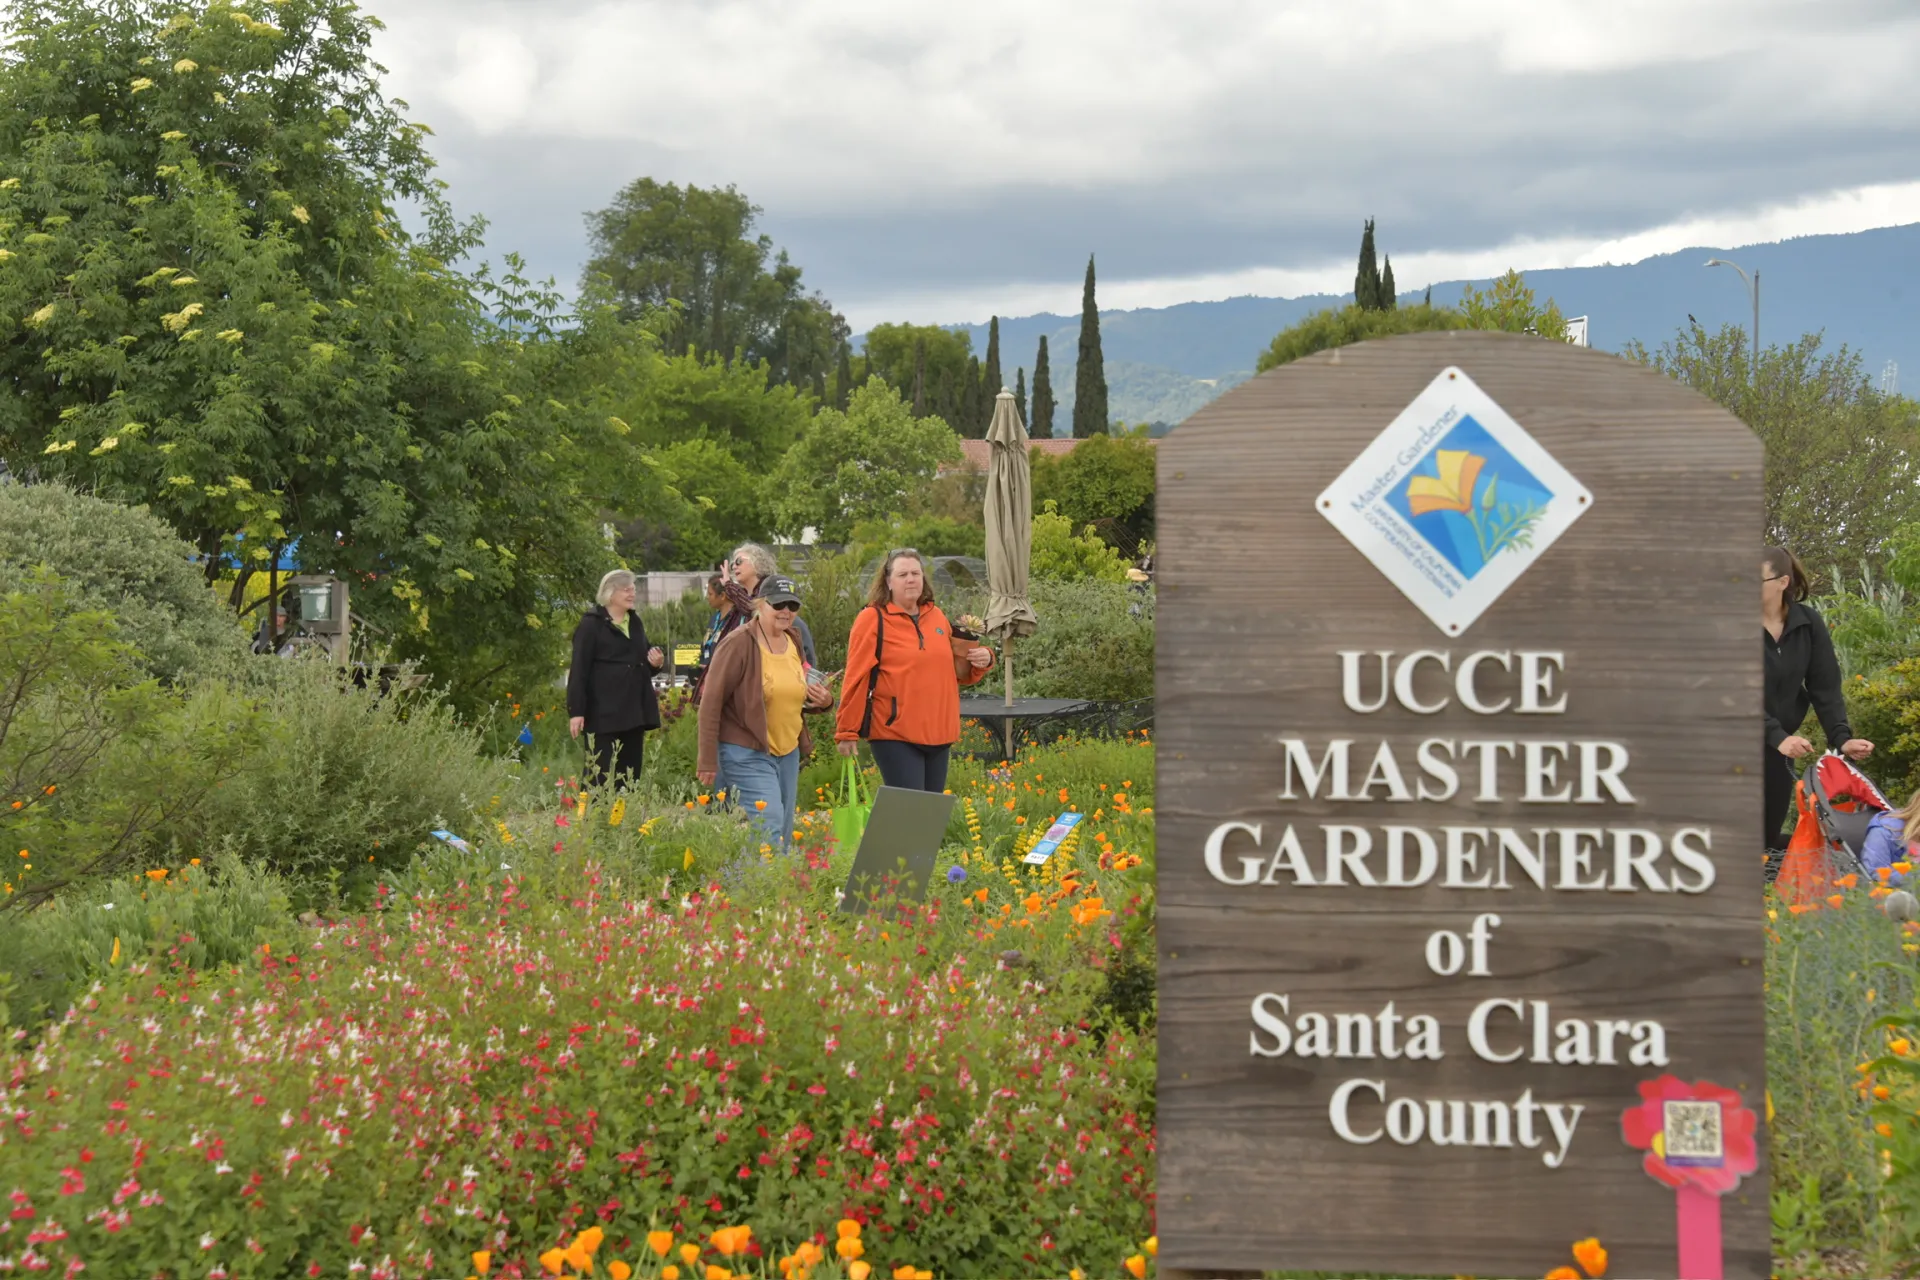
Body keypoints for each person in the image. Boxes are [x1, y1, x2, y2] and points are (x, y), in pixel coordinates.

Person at [835, 548, 993, 792]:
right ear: (888, 581)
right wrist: (847, 730)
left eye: (915, 573)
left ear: (923, 578)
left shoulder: (937, 617)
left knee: (929, 819)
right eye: (902, 574)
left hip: (940, 733)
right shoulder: (872, 619)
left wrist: (985, 658)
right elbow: (857, 677)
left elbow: (956, 671)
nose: (910, 579)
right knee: (910, 817)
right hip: (895, 733)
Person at [696, 577, 834, 847]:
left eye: (792, 606)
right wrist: (707, 760)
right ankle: (760, 883)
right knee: (769, 820)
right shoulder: (738, 644)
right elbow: (710, 702)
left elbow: (796, 690)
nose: (786, 611)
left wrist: (824, 700)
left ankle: (767, 885)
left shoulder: (793, 639)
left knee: (781, 826)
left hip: (787, 750)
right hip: (747, 750)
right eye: (779, 604)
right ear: (760, 604)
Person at [1763, 546, 1872, 851]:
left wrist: (1842, 738)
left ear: (1782, 582)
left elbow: (1824, 687)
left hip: (1776, 750)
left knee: (1766, 837)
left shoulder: (1807, 623)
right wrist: (1777, 735)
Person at [568, 569, 665, 788]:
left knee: (629, 774)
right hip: (602, 712)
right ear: (611, 594)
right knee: (597, 773)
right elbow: (579, 669)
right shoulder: (591, 624)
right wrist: (576, 711)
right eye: (626, 589)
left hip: (633, 710)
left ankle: (623, 818)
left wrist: (655, 663)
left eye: (633, 589)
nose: (632, 594)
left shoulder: (635, 622)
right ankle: (591, 819)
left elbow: (642, 663)